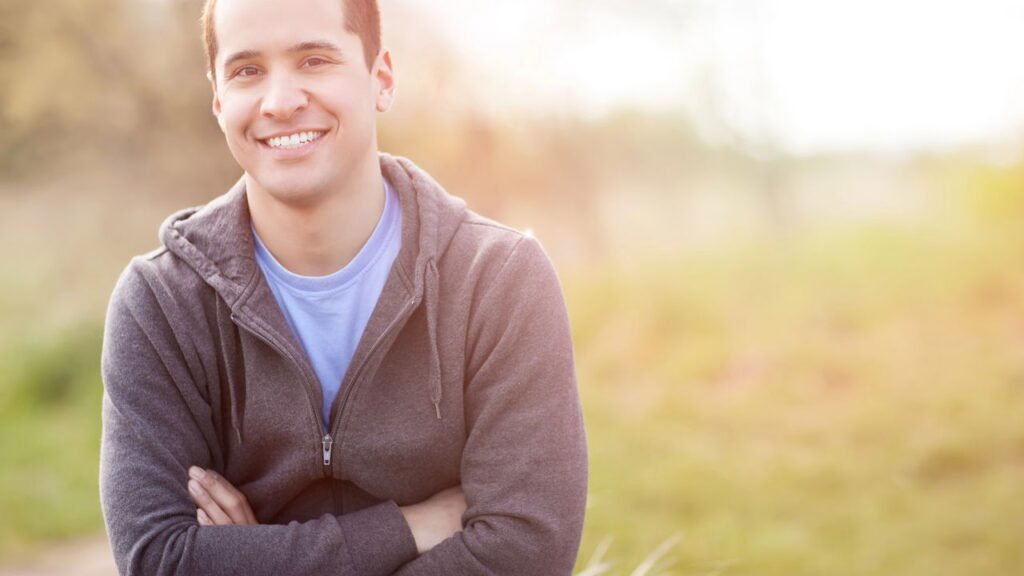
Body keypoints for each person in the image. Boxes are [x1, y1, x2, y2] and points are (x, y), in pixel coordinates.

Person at [98, 0, 588, 573]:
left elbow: (529, 551)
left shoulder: (501, 280)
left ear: (380, 79)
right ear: (218, 99)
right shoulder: (160, 304)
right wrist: (409, 526)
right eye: (247, 71)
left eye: (313, 60)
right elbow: (162, 560)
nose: (280, 102)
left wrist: (257, 559)